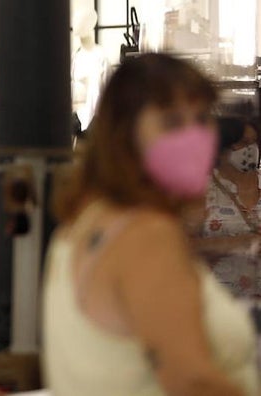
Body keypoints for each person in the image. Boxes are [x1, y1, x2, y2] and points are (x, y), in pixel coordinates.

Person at [43, 54, 259, 395]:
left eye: (202, 118)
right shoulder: (146, 235)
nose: (194, 137)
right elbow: (193, 382)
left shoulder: (83, 224)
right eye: (172, 122)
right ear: (124, 134)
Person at [191, 116, 261, 300]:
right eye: (243, 143)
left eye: (254, 142)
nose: (251, 149)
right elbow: (182, 247)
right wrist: (236, 243)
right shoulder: (200, 191)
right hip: (221, 305)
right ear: (219, 148)